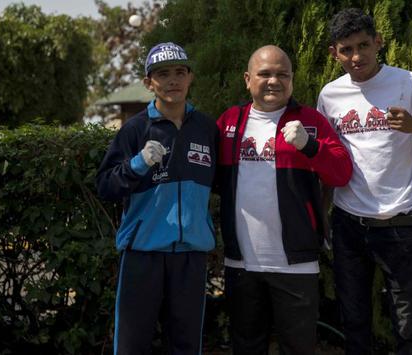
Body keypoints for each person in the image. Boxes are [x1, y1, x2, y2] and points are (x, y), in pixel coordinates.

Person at [317, 8, 412, 355]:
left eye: (363, 45)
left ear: (379, 42)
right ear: (334, 53)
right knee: (354, 324)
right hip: (348, 224)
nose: (356, 56)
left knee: (408, 327)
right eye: (346, 49)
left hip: (399, 224)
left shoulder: (409, 83)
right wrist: (323, 217)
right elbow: (330, 164)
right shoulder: (329, 96)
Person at [215, 45, 352, 355]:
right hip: (241, 263)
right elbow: (208, 179)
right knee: (246, 347)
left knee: (298, 349)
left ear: (292, 80)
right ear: (247, 79)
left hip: (296, 265)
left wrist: (310, 146)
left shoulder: (311, 121)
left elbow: (341, 174)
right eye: (265, 74)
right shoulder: (228, 122)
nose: (273, 81)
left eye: (282, 74)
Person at [96, 42, 218, 355]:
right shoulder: (134, 130)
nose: (173, 80)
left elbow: (224, 185)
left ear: (190, 77)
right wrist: (137, 163)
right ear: (149, 82)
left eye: (180, 72)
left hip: (190, 256)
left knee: (186, 345)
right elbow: (106, 186)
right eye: (163, 74)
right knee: (132, 345)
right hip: (143, 254)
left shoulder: (206, 128)